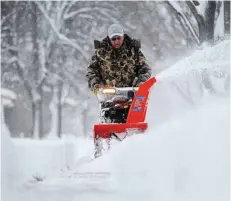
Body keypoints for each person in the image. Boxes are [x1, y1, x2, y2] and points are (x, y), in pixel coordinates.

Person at [86, 23, 151, 94]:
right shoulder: (101, 52)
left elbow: (145, 69)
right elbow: (91, 71)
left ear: (123, 36)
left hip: (132, 93)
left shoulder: (133, 50)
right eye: (113, 39)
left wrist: (141, 82)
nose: (116, 41)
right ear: (109, 39)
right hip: (109, 94)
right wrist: (96, 85)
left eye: (119, 38)